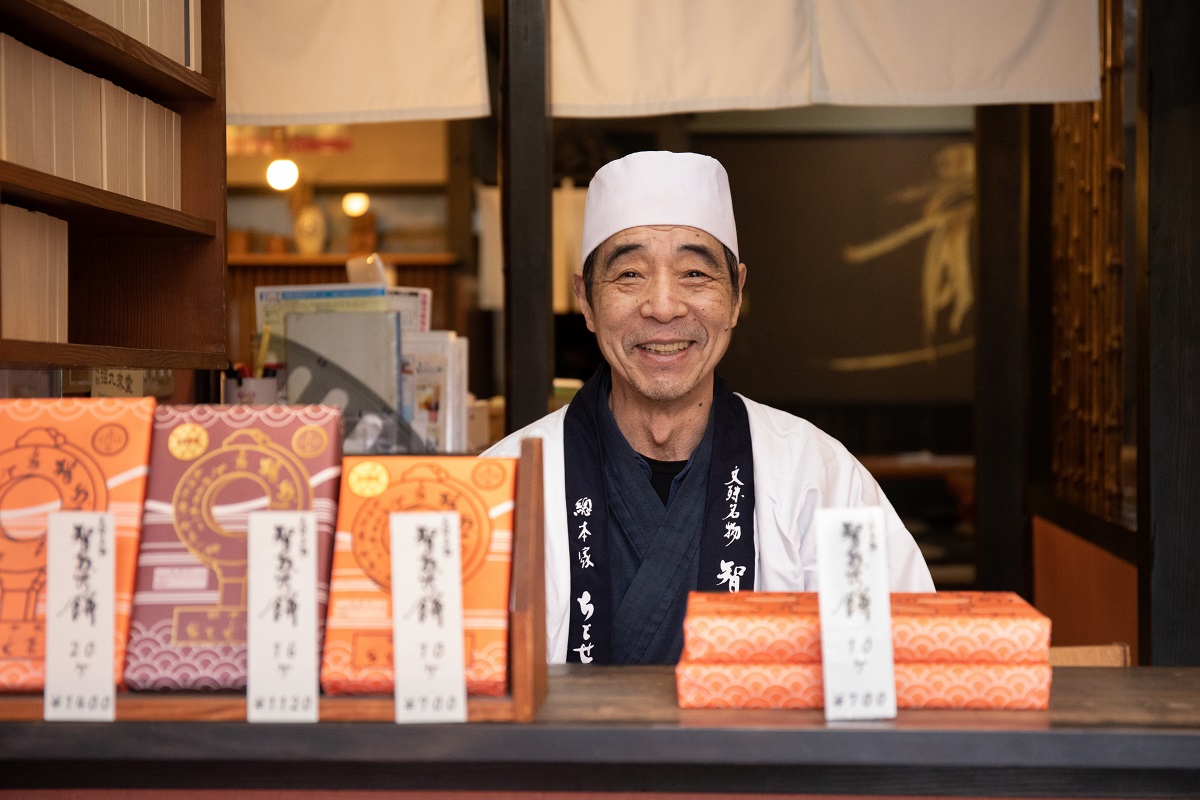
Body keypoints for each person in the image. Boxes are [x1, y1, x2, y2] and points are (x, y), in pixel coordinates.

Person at [484, 151, 934, 665]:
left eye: (695, 274)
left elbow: (902, 660)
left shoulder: (816, 474)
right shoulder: (505, 482)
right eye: (629, 274)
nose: (663, 306)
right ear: (585, 300)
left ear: (737, 295)